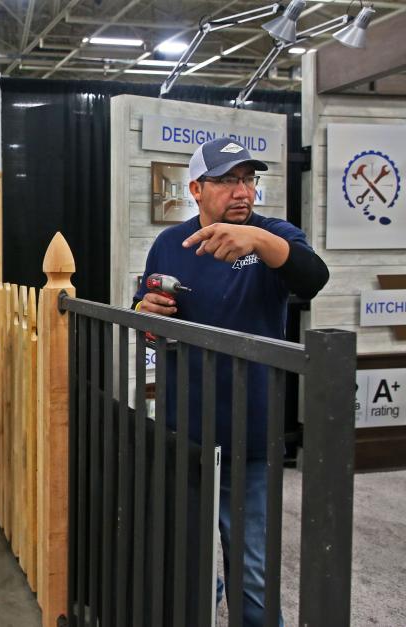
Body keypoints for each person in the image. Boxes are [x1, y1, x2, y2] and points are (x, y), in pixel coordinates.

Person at [134, 137, 329, 626]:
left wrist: (261, 244)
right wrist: (146, 313)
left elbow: (313, 278)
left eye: (248, 179)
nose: (241, 191)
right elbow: (148, 320)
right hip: (184, 430)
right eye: (226, 180)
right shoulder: (168, 244)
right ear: (196, 189)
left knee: (253, 572)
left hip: (252, 435)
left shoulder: (274, 235)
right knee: (186, 559)